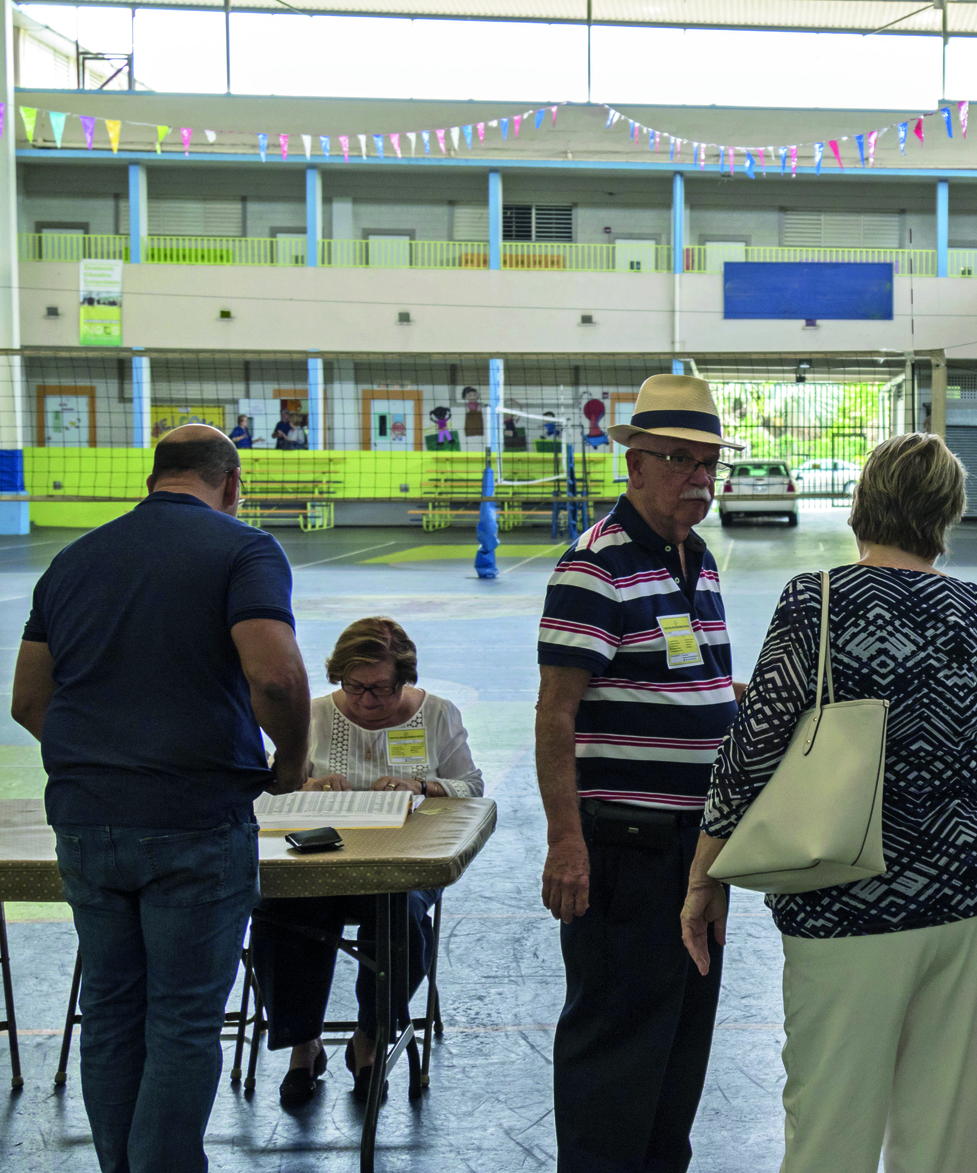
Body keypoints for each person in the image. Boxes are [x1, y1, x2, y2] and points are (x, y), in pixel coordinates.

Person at [682, 431, 977, 1173]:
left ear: (860, 507)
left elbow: (756, 745)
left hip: (842, 900)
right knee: (941, 1136)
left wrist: (704, 872)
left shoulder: (817, 600)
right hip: (961, 907)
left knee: (831, 1129)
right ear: (948, 515)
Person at [11, 424, 310, 1173]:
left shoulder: (71, 561)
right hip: (194, 820)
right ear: (232, 484)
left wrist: (102, 762)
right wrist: (292, 762)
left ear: (154, 477)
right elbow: (274, 675)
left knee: (111, 1015)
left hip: (85, 821)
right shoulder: (244, 549)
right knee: (181, 1021)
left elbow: (26, 700)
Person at [535, 373, 745, 1173]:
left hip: (702, 855)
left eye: (708, 464)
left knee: (678, 1058)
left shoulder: (702, 562)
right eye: (679, 460)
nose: (698, 478)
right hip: (623, 855)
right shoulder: (595, 568)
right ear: (635, 465)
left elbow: (704, 689)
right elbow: (556, 716)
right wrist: (566, 843)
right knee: (613, 1062)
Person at [252, 616, 484, 1107]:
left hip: (404, 860)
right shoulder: (313, 715)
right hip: (320, 858)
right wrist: (305, 786)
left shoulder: (438, 714)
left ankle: (369, 1035)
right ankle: (303, 1044)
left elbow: (472, 789)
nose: (367, 701)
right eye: (354, 687)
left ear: (405, 680)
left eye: (381, 689)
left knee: (397, 915)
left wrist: (422, 786)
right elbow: (270, 788)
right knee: (278, 909)